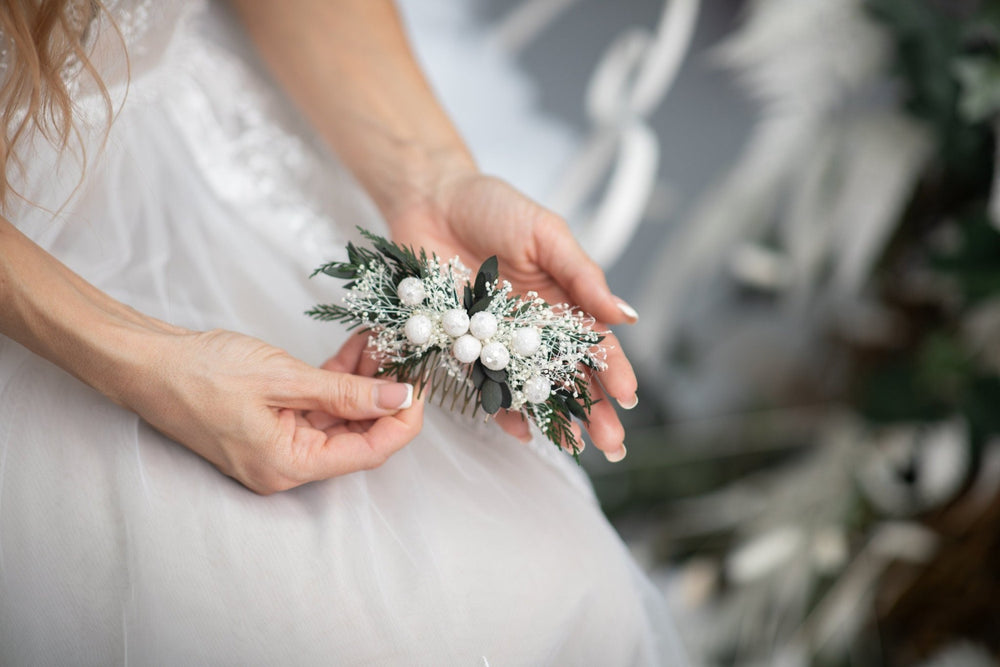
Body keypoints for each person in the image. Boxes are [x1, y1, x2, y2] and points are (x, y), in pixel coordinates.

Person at [0, 0, 686, 664]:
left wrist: (432, 182)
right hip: (34, 279)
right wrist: (143, 362)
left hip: (209, 148)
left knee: (565, 570)